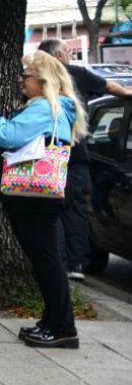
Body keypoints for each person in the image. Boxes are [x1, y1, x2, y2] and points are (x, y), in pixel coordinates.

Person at [0, 52, 86, 349]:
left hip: (33, 197)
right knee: (45, 260)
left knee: (46, 261)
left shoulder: (44, 107)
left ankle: (63, 327)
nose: (22, 80)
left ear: (43, 82)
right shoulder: (54, 108)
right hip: (38, 196)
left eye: (27, 76)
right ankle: (53, 320)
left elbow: (5, 137)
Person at [36, 39, 132, 280]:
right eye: (67, 53)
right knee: (76, 206)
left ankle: (57, 262)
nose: (69, 56)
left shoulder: (37, 79)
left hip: (45, 154)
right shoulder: (77, 74)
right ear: (58, 55)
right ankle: (77, 264)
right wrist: (129, 92)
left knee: (51, 208)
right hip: (76, 153)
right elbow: (113, 88)